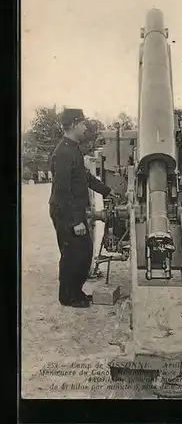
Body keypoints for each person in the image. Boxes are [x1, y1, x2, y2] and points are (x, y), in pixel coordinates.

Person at [49, 108, 116, 308]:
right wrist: (76, 221)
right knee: (72, 253)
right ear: (74, 124)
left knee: (84, 252)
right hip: (66, 212)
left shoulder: (73, 149)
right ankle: (67, 296)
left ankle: (75, 291)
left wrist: (106, 191)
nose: (85, 127)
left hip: (73, 211)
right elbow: (62, 191)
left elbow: (84, 177)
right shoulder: (63, 152)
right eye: (83, 123)